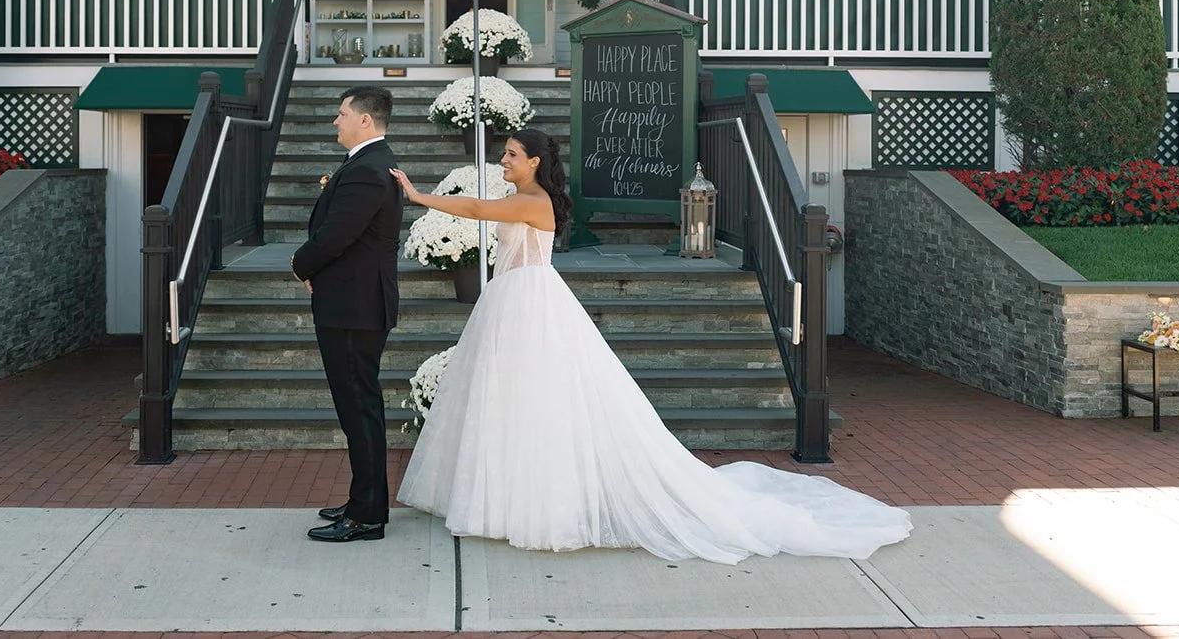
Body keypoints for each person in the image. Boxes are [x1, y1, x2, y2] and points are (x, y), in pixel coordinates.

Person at [389, 127, 912, 565]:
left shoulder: (530, 202)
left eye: (509, 154)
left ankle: (533, 503)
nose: (502, 159)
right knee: (514, 402)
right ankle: (505, 499)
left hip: (528, 305)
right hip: (513, 303)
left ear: (532, 163)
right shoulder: (524, 197)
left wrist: (418, 197)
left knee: (537, 400)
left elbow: (478, 208)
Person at [292, 86, 403, 543]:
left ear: (364, 120)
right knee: (358, 408)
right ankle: (365, 501)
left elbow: (338, 233)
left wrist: (301, 264)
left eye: (341, 114)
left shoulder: (368, 171)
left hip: (354, 308)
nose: (335, 121)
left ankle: (368, 515)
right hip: (352, 302)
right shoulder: (368, 164)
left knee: (359, 409)